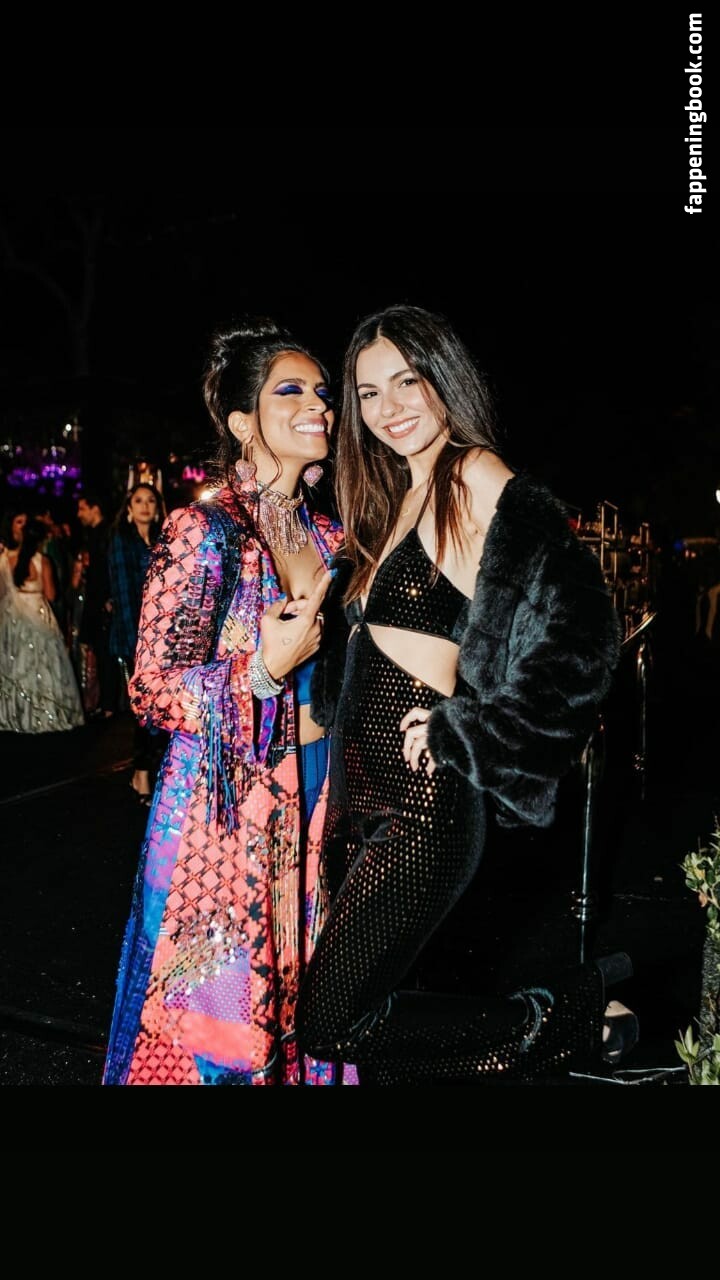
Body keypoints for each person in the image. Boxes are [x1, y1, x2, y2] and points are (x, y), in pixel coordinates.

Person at [296, 303, 638, 1084]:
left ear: (445, 377)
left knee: (332, 1020)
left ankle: (566, 1015)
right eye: (370, 392)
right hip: (357, 798)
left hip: (424, 804)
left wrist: (480, 729)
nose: (390, 407)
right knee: (390, 1028)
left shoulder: (472, 473)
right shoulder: (396, 494)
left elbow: (585, 630)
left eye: (407, 381)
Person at [103, 318, 348, 1086]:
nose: (318, 405)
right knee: (227, 1037)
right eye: (291, 391)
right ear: (243, 424)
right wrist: (258, 672)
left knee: (315, 1009)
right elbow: (151, 688)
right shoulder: (204, 530)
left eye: (322, 392)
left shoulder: (334, 537)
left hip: (320, 801)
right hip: (227, 819)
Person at [108, 481, 168, 803]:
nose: (145, 506)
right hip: (136, 637)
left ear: (157, 508)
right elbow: (123, 594)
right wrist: (138, 645)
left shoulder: (163, 540)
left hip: (164, 635)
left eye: (151, 501)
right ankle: (142, 772)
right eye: (139, 501)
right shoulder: (122, 540)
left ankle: (148, 770)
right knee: (145, 707)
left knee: (161, 705)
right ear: (129, 509)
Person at [0, 515, 84, 732]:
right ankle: (44, 711)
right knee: (44, 664)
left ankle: (16, 712)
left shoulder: (4, 559)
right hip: (38, 613)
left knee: (16, 663)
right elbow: (51, 594)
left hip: (13, 616)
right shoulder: (42, 561)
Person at [76, 492, 118, 718]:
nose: (79, 514)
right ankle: (105, 701)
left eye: (82, 508)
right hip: (96, 600)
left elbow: (107, 570)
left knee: (105, 652)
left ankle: (110, 704)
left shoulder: (106, 534)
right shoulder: (93, 534)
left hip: (102, 601)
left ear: (95, 509)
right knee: (100, 652)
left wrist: (108, 598)